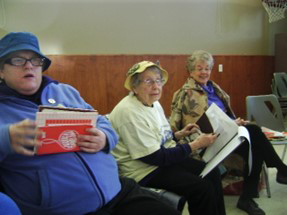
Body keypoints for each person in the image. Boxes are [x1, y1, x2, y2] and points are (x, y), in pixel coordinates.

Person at [0, 32, 182, 215]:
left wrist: (104, 137)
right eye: (18, 60)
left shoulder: (64, 91)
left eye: (35, 60)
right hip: (68, 210)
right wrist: (5, 138)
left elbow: (102, 121)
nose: (29, 66)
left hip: (116, 190)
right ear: (1, 70)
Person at [169, 50, 287, 215]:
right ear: (190, 71)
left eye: (207, 68)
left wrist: (234, 122)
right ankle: (280, 171)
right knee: (254, 131)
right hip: (205, 142)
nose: (204, 72)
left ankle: (247, 198)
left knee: (253, 145)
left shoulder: (214, 88)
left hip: (226, 135)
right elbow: (177, 127)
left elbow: (225, 115)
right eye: (199, 68)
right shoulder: (183, 94)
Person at [109, 60, 226, 215]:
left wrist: (179, 134)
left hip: (160, 159)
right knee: (201, 188)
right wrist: (195, 145)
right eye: (149, 81)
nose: (156, 86)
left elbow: (158, 136)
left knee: (212, 172)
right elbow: (155, 157)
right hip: (143, 171)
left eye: (158, 81)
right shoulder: (129, 112)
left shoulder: (153, 102)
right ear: (134, 87)